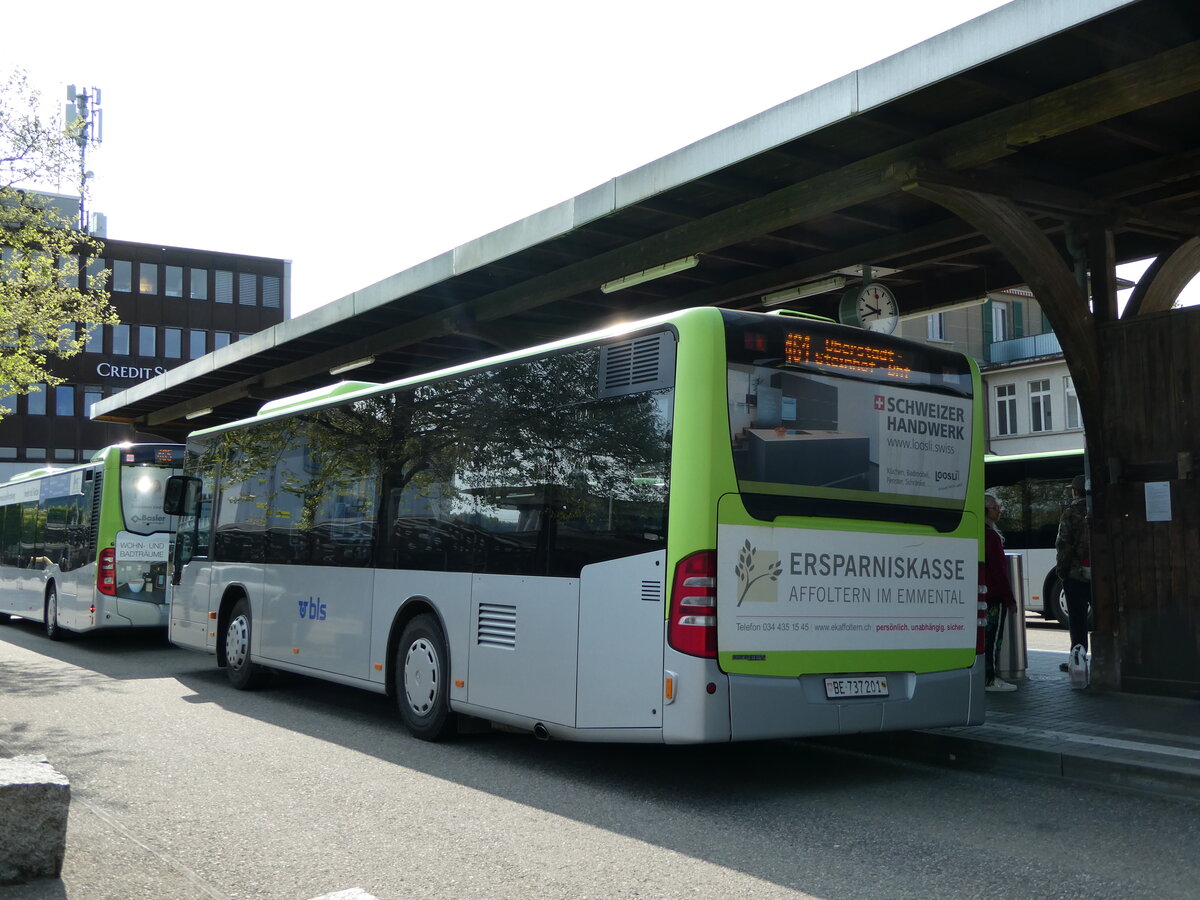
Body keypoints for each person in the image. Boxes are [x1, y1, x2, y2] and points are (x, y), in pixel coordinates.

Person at [1055, 473, 1092, 672]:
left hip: (1076, 575)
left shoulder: (1070, 513)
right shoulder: (1099, 509)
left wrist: (1062, 572)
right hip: (1100, 575)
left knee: (1077, 619)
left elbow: (1064, 545)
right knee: (1104, 618)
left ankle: (1077, 660)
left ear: (1075, 491)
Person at [982, 492, 1018, 691]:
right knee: (993, 638)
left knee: (983, 638)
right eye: (995, 508)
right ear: (986, 511)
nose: (999, 511)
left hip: (983, 593)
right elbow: (999, 571)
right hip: (994, 596)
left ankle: (986, 676)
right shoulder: (991, 537)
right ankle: (990, 678)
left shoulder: (977, 531)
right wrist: (1010, 599)